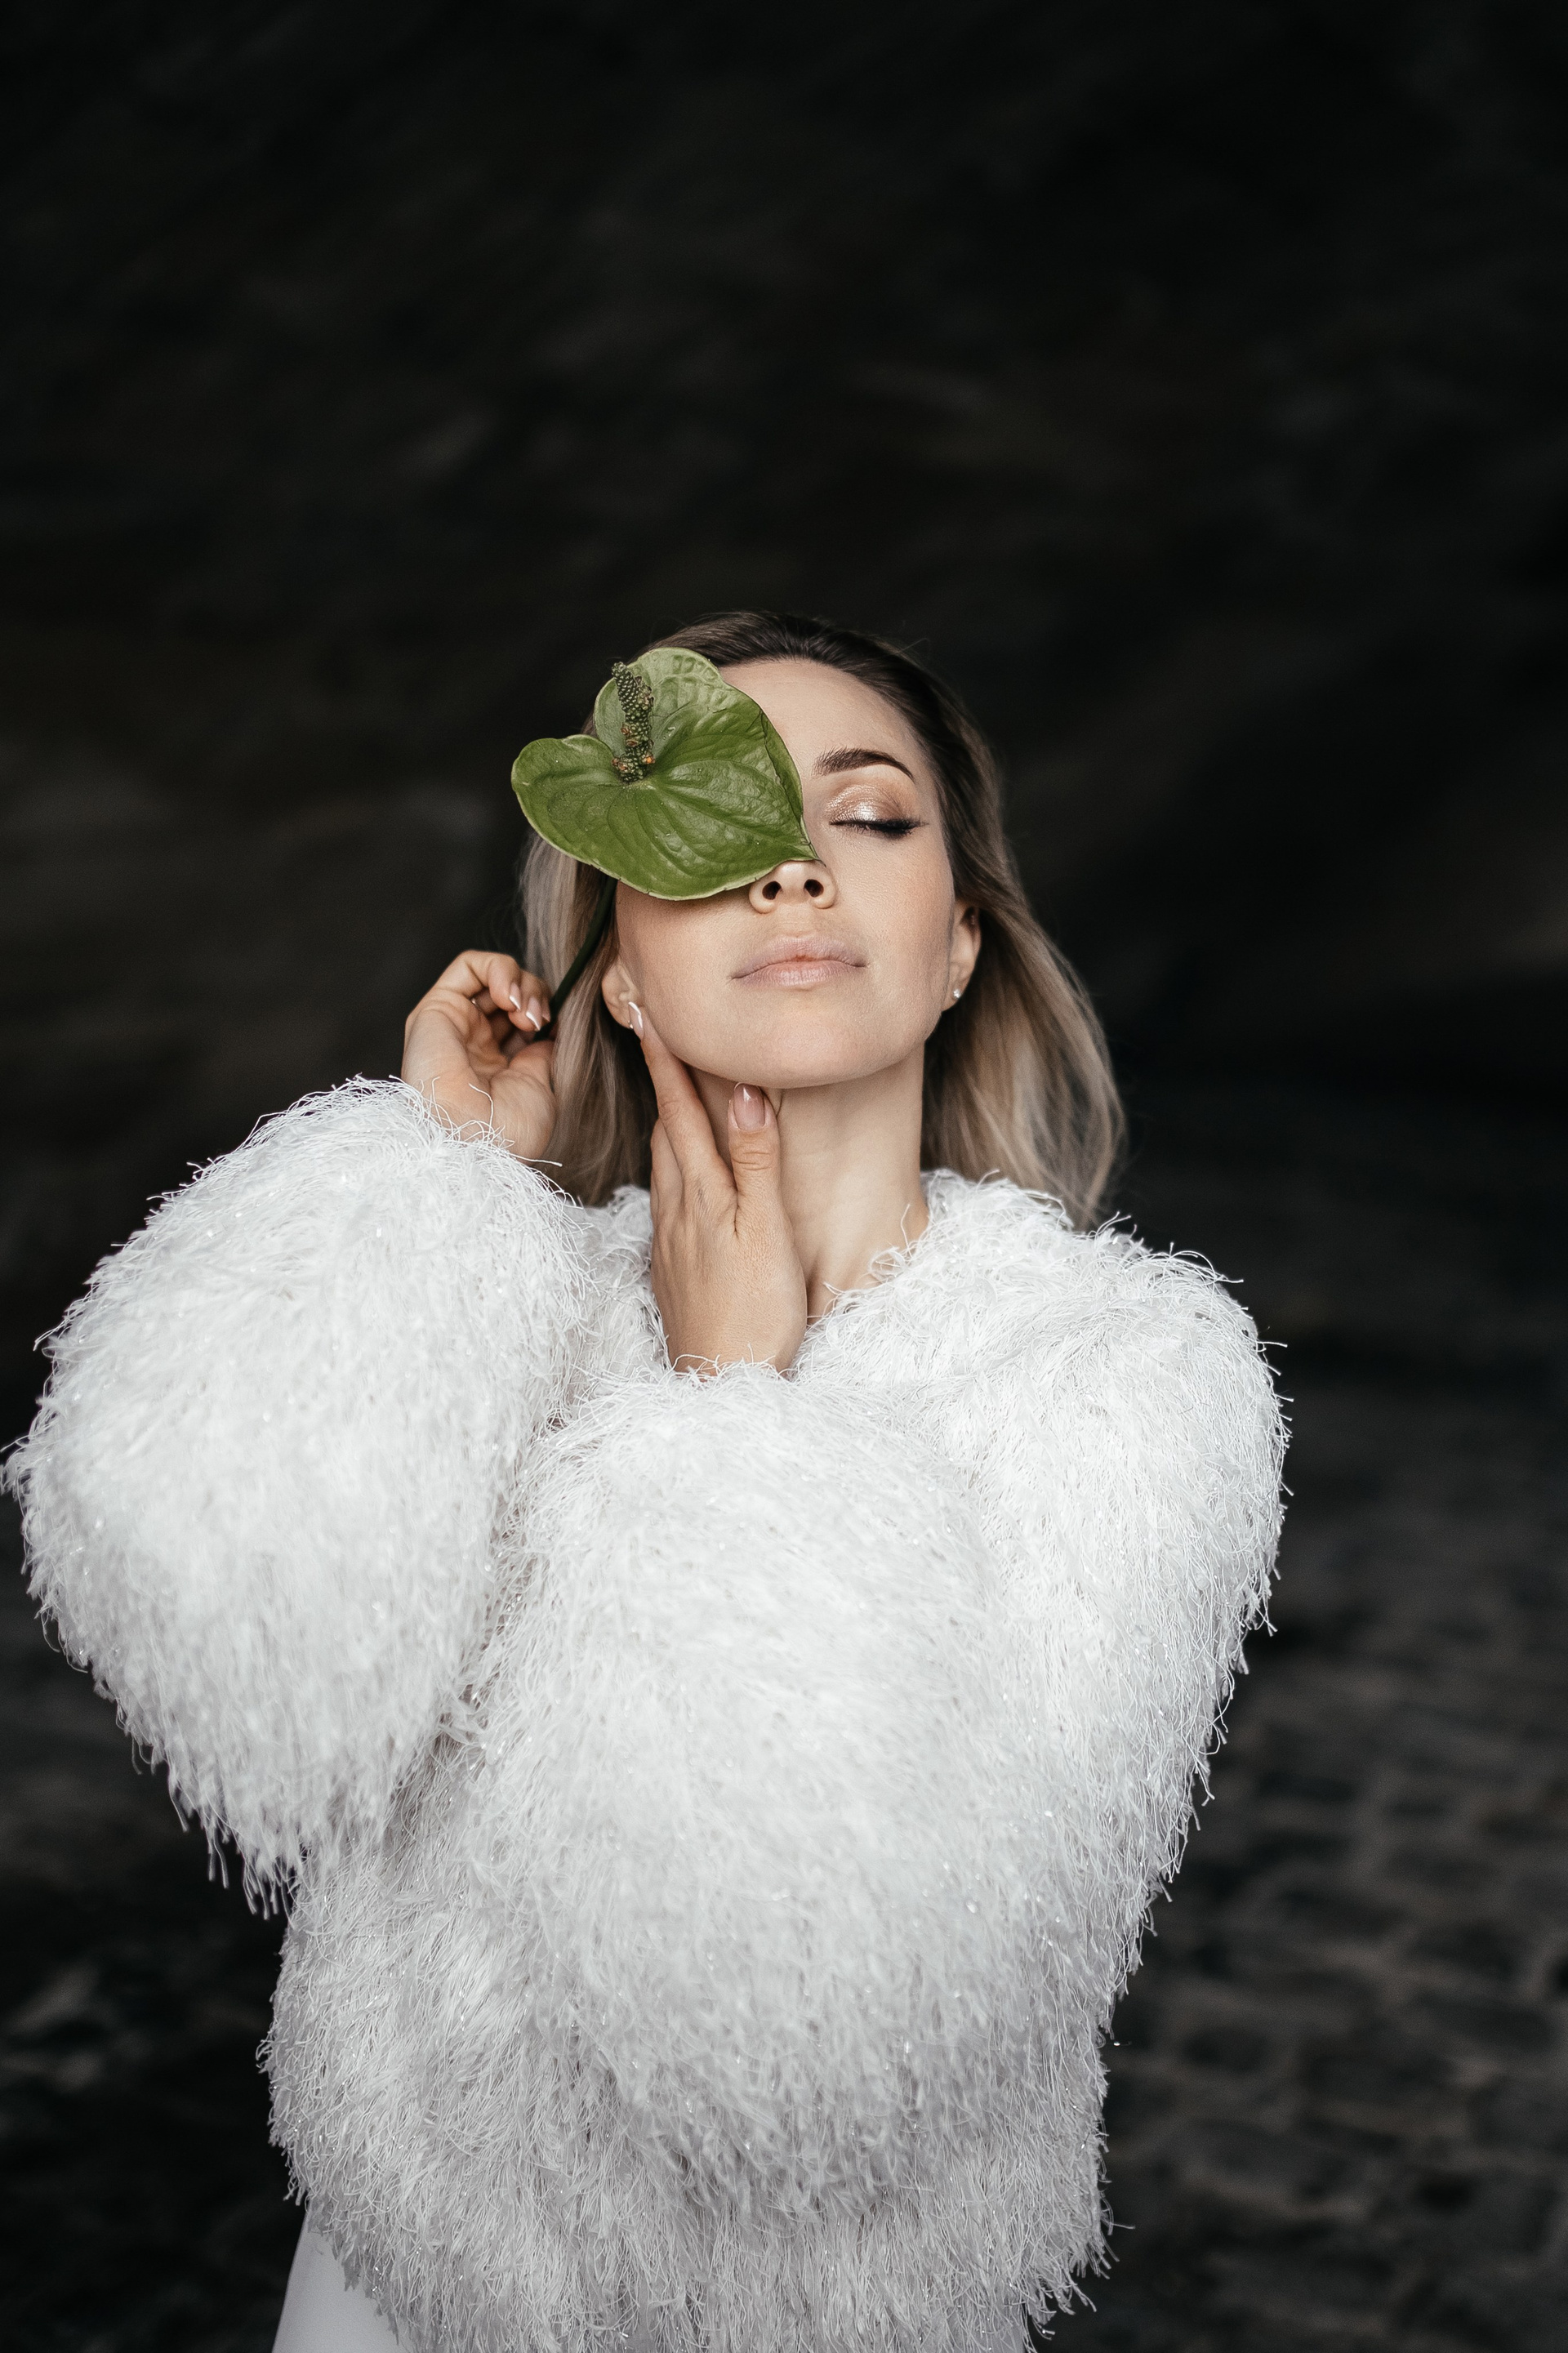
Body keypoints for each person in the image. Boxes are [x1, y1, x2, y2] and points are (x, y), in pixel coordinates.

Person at [7, 613, 1285, 2353]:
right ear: (616, 969)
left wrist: (730, 1413)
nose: (789, 868)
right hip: (398, 2287)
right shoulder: (502, 1294)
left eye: (868, 816)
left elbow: (826, 2046)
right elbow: (233, 1646)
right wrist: (433, 1182)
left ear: (961, 944)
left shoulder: (1126, 1375)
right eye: (711, 820)